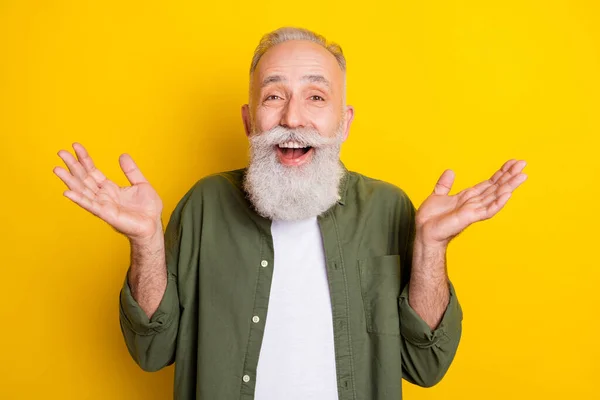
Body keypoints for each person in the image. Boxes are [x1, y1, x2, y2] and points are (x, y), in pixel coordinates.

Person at [53, 27, 527, 400]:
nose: (293, 118)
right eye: (274, 95)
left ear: (344, 122)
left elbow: (427, 367)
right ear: (248, 119)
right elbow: (152, 351)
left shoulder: (390, 209)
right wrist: (145, 243)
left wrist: (432, 247)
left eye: (316, 97)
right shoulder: (204, 204)